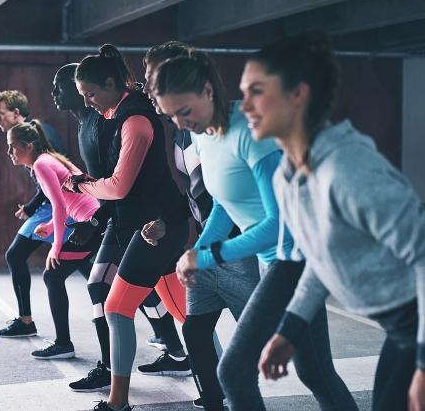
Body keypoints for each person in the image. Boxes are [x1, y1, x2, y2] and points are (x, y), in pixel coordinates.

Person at [153, 49, 357, 411]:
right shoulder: (202, 135)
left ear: (207, 91)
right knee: (315, 372)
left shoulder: (251, 133)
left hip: (295, 260)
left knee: (234, 371)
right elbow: (223, 205)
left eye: (185, 112)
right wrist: (198, 251)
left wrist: (212, 254)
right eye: (172, 116)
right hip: (270, 262)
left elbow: (281, 224)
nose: (181, 124)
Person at [241, 32, 425, 411]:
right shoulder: (288, 176)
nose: (244, 105)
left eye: (256, 91)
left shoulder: (347, 170)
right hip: (401, 331)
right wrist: (288, 331)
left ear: (298, 94)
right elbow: (319, 260)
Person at [64, 44, 191, 411]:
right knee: (187, 318)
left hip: (157, 229)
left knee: (117, 307)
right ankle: (219, 386)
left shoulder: (135, 120)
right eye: (82, 96)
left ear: (110, 82)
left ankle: (118, 402)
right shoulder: (113, 116)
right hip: (144, 227)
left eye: (90, 93)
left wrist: (81, 184)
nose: (87, 101)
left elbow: (118, 185)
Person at [142, 41, 259, 411]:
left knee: (265, 350)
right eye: (149, 79)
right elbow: (207, 196)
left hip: (247, 250)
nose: (150, 86)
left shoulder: (236, 127)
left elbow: (266, 214)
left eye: (155, 76)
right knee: (195, 330)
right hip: (211, 246)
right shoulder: (183, 130)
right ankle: (213, 401)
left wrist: (212, 249)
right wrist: (190, 241)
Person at [0, 90, 91, 338]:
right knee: (87, 266)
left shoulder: (39, 145)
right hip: (59, 208)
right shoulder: (34, 142)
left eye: (0, 113)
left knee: (20, 257)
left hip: (63, 207)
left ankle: (31, 324)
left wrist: (35, 211)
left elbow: (57, 192)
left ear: (16, 113)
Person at [6, 120, 103, 359]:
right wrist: (49, 227)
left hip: (91, 224)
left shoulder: (41, 163)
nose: (9, 152)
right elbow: (66, 201)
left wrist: (55, 247)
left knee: (53, 274)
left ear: (29, 146)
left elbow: (59, 204)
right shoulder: (48, 160)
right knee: (97, 279)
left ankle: (63, 344)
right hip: (91, 221)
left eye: (13, 147)